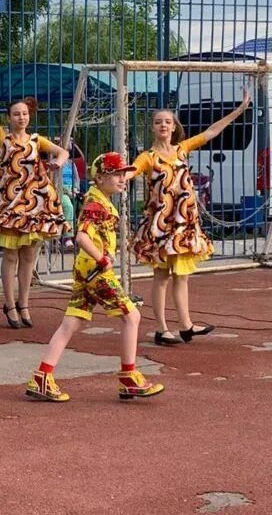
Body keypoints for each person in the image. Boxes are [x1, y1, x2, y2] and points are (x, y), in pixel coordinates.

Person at [25, 152, 165, 403]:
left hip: (86, 270)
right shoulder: (95, 205)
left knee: (71, 323)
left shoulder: (99, 200)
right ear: (100, 178)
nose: (123, 179)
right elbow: (81, 237)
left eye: (124, 173)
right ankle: (129, 376)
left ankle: (42, 377)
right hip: (96, 271)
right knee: (131, 315)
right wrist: (102, 258)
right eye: (116, 174)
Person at [130, 93, 251, 346]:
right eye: (158, 122)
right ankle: (162, 329)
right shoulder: (147, 158)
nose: (163, 125)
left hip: (184, 223)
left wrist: (238, 111)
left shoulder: (182, 149)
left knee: (182, 275)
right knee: (161, 276)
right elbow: (130, 173)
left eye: (167, 121)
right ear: (153, 127)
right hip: (161, 225)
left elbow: (211, 132)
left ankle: (186, 325)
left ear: (174, 127)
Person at [0, 59, 69, 328]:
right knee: (10, 255)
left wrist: (58, 163)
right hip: (10, 204)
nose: (21, 117)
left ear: (29, 116)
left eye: (24, 113)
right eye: (16, 114)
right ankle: (10, 304)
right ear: (10, 117)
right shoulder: (3, 137)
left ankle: (25, 304)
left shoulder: (38, 141)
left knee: (29, 255)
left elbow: (63, 152)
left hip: (36, 205)